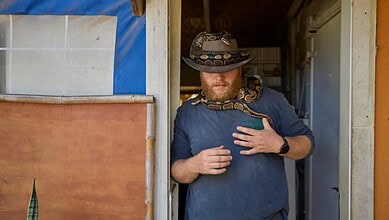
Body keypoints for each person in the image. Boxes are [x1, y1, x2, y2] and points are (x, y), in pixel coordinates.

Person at [171, 31, 314, 220]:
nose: (218, 77)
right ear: (200, 72)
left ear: (240, 68)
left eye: (227, 68)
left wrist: (280, 145)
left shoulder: (273, 101)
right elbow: (176, 171)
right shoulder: (187, 112)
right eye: (210, 71)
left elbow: (308, 144)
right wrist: (194, 164)